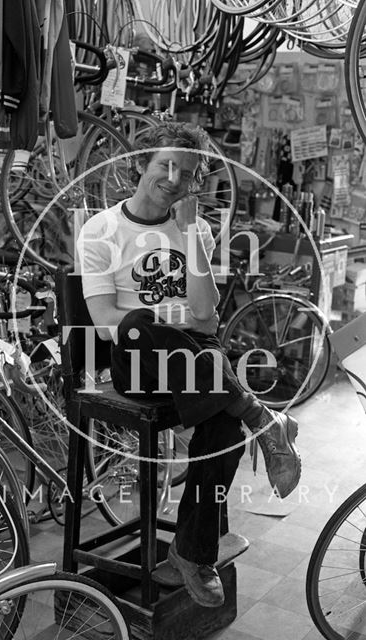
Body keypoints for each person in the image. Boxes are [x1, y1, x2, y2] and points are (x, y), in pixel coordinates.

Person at [77, 121, 301, 608]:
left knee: (219, 413)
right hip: (137, 362)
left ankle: (191, 553)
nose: (175, 179)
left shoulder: (194, 228)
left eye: (188, 172)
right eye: (165, 165)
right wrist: (169, 322)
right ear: (141, 165)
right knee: (139, 321)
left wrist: (190, 232)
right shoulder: (101, 230)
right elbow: (105, 321)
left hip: (196, 364)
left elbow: (206, 312)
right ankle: (262, 417)